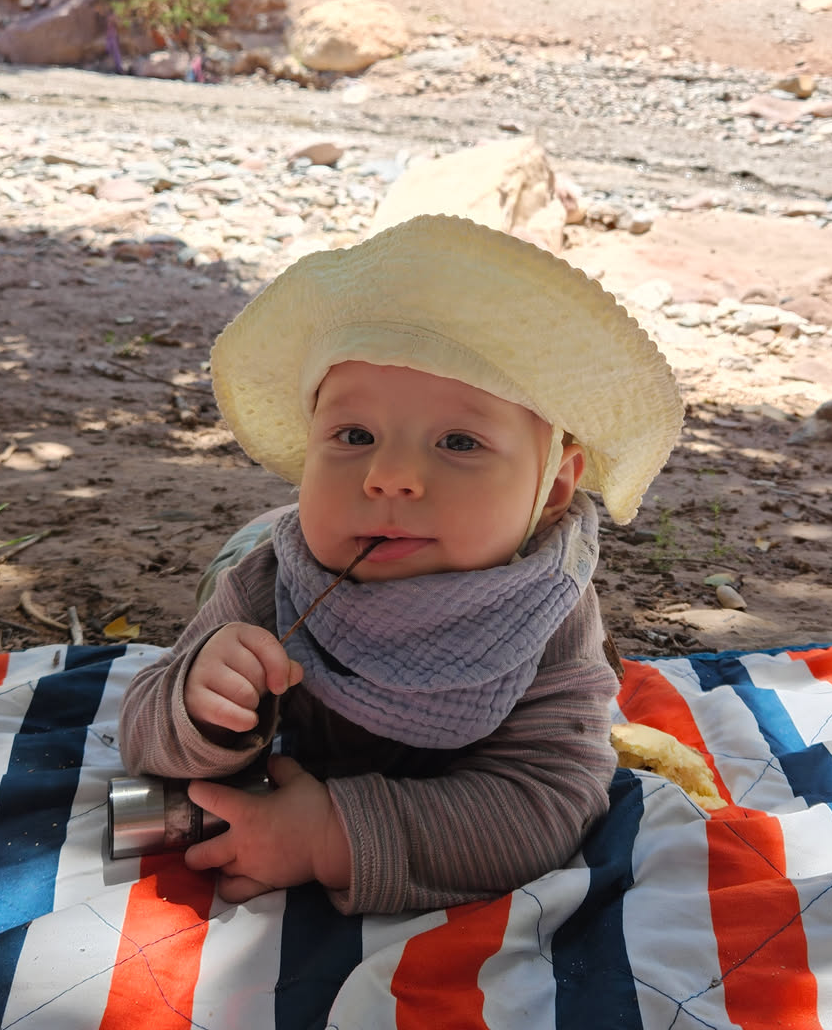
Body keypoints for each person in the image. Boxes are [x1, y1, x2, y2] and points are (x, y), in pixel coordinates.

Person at [118, 213, 681, 915]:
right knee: (239, 568)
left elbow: (548, 800)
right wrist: (199, 703)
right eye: (354, 435)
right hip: (249, 547)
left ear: (554, 489)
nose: (388, 477)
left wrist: (330, 837)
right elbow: (142, 734)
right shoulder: (273, 583)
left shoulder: (549, 615)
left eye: (459, 442)